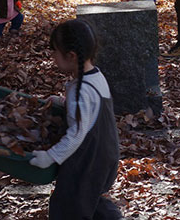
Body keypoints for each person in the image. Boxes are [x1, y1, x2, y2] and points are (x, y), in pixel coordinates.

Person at [29, 19, 121, 219]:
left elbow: (76, 134)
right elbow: (90, 111)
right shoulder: (95, 76)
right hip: (105, 153)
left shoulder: (81, 92)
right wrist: (63, 103)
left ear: (71, 56)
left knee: (68, 204)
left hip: (88, 161)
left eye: (54, 51)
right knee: (88, 197)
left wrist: (50, 156)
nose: (52, 56)